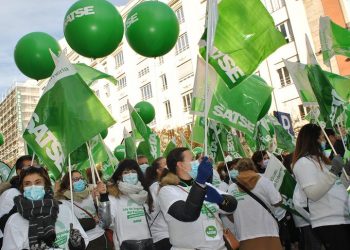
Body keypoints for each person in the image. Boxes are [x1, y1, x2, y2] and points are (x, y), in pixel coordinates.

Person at [158, 147, 237, 250]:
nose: (197, 162)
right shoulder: (168, 191)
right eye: (193, 159)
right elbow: (188, 214)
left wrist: (221, 200)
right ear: (180, 165)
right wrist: (200, 182)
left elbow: (232, 206)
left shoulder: (203, 186)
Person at [292, 123, 350, 250]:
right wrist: (334, 171)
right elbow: (313, 194)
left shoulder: (322, 161)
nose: (325, 141)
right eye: (322, 137)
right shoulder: (303, 163)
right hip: (329, 221)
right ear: (313, 140)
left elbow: (335, 185)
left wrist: (346, 173)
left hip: (342, 217)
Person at [2, 166, 88, 250]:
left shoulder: (64, 210)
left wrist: (77, 244)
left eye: (38, 182)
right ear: (22, 188)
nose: (33, 187)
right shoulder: (14, 222)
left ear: (46, 185)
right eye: (27, 183)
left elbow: (83, 239)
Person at [227, 158, 282, 250]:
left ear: (238, 170)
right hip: (269, 231)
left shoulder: (231, 188)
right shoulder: (264, 181)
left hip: (244, 235)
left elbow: (229, 213)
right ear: (253, 167)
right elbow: (276, 202)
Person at [55, 170, 113, 250]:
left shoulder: (92, 195)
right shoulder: (64, 203)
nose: (80, 181)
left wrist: (102, 197)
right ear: (68, 185)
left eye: (81, 178)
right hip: (85, 243)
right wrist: (94, 221)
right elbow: (72, 227)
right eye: (75, 179)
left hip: (102, 238)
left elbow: (106, 222)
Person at [106, 159, 154, 249]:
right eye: (126, 172)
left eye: (133, 171)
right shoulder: (114, 196)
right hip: (125, 245)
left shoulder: (144, 193)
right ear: (120, 175)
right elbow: (106, 222)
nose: (130, 174)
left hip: (146, 243)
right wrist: (103, 199)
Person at [0, 155, 37, 248]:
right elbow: (2, 228)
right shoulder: (10, 194)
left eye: (36, 168)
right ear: (19, 172)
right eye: (30, 167)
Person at [144, 157, 171, 250]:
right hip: (163, 236)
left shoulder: (169, 185)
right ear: (159, 170)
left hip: (170, 235)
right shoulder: (156, 187)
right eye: (166, 163)